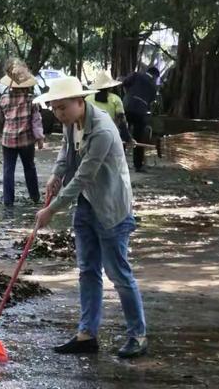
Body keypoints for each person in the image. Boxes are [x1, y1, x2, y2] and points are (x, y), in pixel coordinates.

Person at [34, 76, 147, 359]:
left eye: (62, 108)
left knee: (118, 273)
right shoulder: (72, 122)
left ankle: (138, 334)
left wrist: (51, 210)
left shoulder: (103, 131)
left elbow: (84, 176)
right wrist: (56, 174)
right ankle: (87, 334)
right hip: (85, 205)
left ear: (78, 101)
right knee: (87, 270)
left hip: (111, 207)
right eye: (54, 109)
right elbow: (66, 151)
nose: (59, 114)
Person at [0, 58, 44, 206]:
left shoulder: (4, 99)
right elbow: (36, 120)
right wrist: (40, 138)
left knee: (8, 170)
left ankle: (8, 200)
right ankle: (35, 197)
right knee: (29, 167)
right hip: (26, 141)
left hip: (7, 140)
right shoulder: (31, 100)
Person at [122, 66, 159, 172]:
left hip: (127, 107)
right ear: (155, 76)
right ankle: (138, 165)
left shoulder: (136, 75)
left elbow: (124, 83)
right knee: (138, 138)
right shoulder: (153, 85)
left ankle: (119, 161)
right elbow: (151, 100)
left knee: (123, 134)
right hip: (140, 111)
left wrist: (128, 95)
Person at [86, 71, 131, 143]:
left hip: (90, 134)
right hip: (110, 134)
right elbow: (121, 120)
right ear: (110, 87)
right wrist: (127, 138)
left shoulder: (87, 99)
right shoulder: (115, 99)